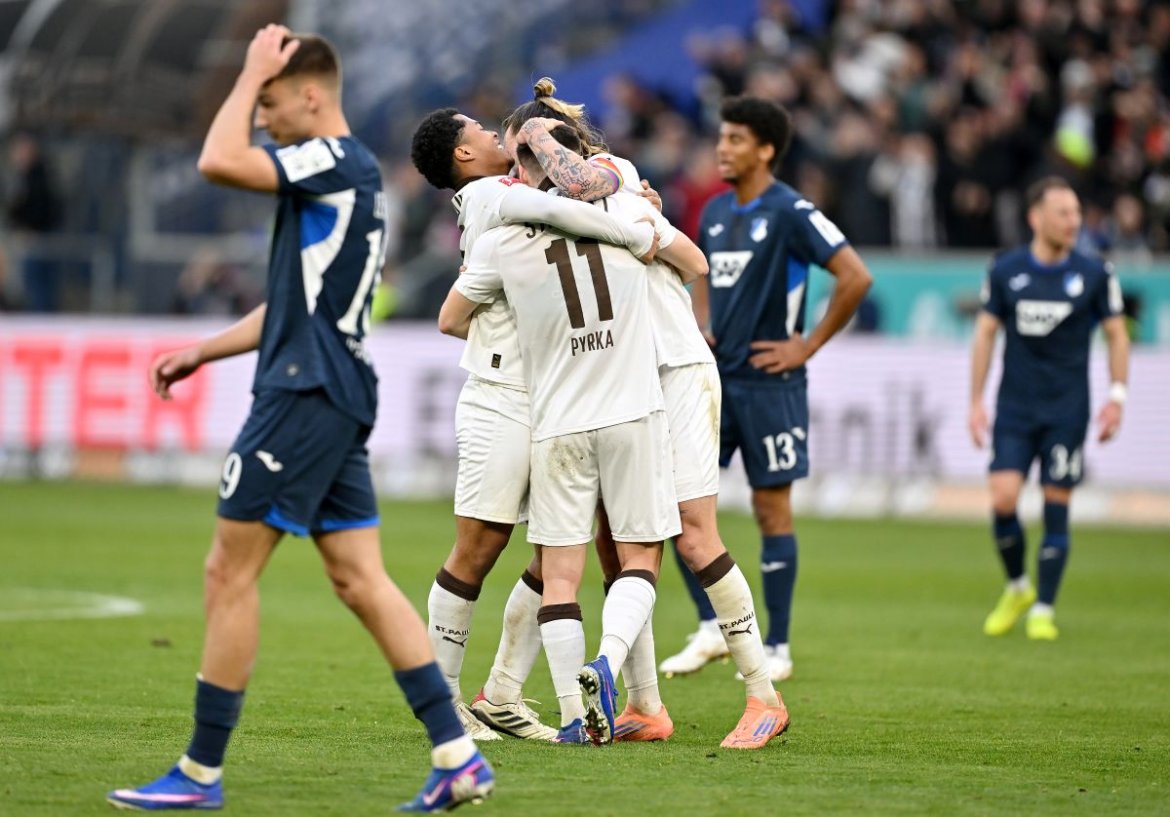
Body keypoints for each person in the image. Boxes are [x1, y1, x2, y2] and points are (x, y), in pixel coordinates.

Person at [107, 27, 493, 813]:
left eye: (271, 105)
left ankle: (200, 772)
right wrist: (204, 350)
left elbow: (216, 160)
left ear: (311, 96)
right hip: (333, 386)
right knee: (359, 578)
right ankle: (457, 755)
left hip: (304, 391)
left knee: (229, 570)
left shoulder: (334, 160)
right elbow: (293, 298)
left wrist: (248, 68)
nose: (262, 119)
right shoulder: (340, 180)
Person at [503, 78, 790, 749]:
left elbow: (687, 255)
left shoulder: (611, 174)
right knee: (616, 539)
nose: (515, 174)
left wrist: (541, 134)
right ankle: (644, 706)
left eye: (520, 157)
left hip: (674, 367)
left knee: (693, 534)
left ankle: (761, 694)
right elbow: (685, 257)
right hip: (620, 381)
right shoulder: (554, 208)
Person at [409, 107, 658, 742]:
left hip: (550, 396)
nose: (496, 137)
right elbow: (573, 201)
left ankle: (501, 694)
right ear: (464, 157)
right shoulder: (493, 194)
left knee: (556, 551)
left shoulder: (499, 198)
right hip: (502, 396)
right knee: (480, 546)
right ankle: (442, 703)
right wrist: (629, 216)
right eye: (482, 134)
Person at [674, 96, 872, 682]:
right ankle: (712, 626)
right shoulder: (713, 213)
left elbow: (855, 276)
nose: (722, 148)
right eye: (721, 137)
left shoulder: (790, 211)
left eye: (735, 139)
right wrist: (701, 325)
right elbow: (699, 273)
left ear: (765, 149)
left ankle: (778, 646)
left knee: (770, 508)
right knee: (681, 509)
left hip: (771, 384)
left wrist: (805, 345)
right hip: (715, 382)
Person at [969, 176, 1130, 640]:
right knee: (1002, 498)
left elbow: (1117, 334)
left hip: (1067, 409)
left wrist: (1116, 397)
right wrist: (976, 401)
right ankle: (1018, 586)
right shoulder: (1006, 269)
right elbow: (985, 332)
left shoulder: (1096, 273)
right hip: (1015, 407)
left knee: (1056, 502)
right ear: (1035, 217)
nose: (1073, 221)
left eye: (1077, 212)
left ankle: (1044, 608)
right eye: (1063, 212)